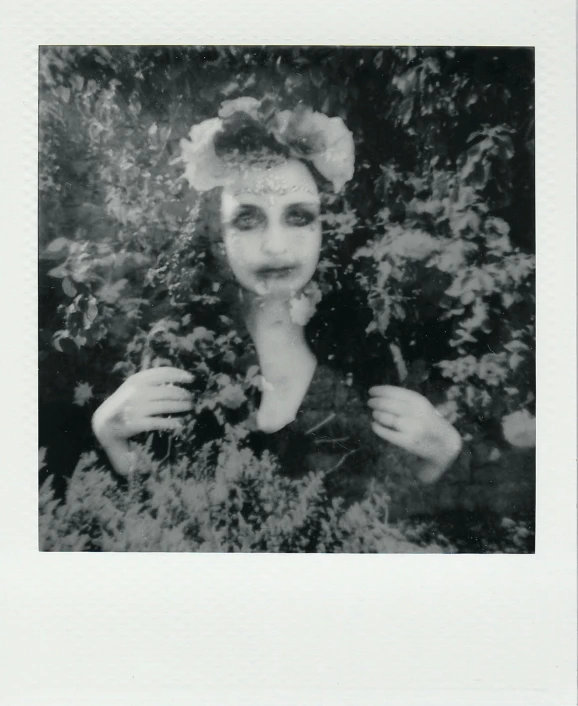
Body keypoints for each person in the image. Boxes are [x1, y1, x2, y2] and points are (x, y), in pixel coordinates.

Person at [91, 96, 464, 508]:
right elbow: (154, 517)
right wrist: (110, 438)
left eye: (299, 217)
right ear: (217, 236)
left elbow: (388, 518)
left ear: (325, 229)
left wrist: (441, 457)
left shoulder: (369, 357)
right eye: (247, 220)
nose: (275, 246)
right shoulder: (177, 350)